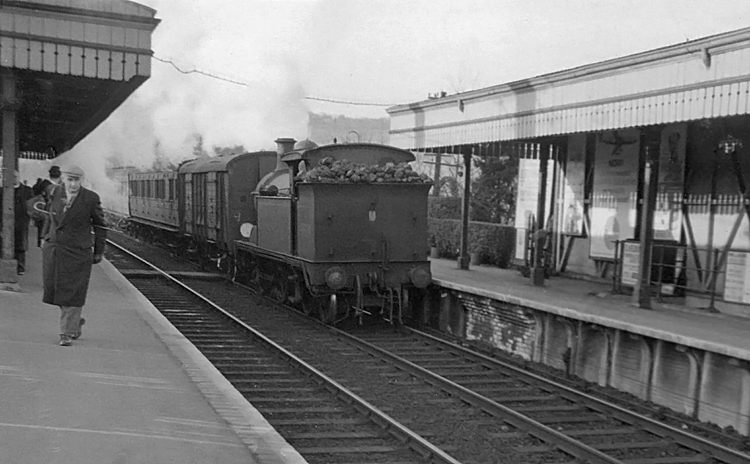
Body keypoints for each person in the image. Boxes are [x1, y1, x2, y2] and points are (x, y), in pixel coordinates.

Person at [42, 164, 107, 347]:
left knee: (73, 292)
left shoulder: (91, 198)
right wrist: (44, 237)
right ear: (63, 179)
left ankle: (66, 333)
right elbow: (49, 216)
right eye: (70, 180)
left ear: (81, 181)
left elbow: (100, 227)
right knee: (57, 291)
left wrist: (99, 250)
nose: (73, 184)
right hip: (55, 249)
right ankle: (74, 322)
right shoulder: (55, 193)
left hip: (78, 252)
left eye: (76, 180)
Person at [0, 170, 34, 274]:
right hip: (4, 220)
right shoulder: (1, 191)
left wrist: (30, 217)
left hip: (21, 221)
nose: (13, 179)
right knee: (4, 241)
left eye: (15, 176)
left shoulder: (28, 191)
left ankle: (20, 266)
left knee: (21, 244)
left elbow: (32, 206)